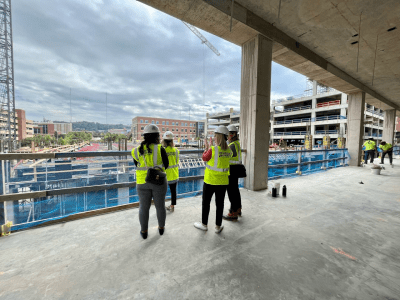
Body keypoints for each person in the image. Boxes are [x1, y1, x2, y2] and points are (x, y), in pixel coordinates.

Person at [132, 124, 169, 239]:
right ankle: (161, 229)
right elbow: (166, 165)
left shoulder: (136, 151)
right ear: (157, 136)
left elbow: (136, 165)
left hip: (142, 182)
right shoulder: (160, 148)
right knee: (160, 206)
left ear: (145, 136)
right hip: (158, 181)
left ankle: (144, 232)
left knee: (143, 207)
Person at [194, 125, 232, 233]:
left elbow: (204, 158)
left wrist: (206, 148)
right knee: (220, 204)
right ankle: (218, 226)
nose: (214, 138)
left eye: (215, 136)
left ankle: (204, 224)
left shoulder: (213, 149)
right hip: (223, 182)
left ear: (219, 137)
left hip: (210, 181)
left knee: (206, 203)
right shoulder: (229, 151)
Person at [223, 124, 242, 222]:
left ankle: (233, 213)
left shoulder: (232, 145)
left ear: (234, 134)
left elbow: (226, 156)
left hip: (232, 170)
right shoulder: (237, 143)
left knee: (231, 192)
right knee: (235, 190)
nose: (228, 136)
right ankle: (238, 209)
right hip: (236, 169)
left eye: (228, 134)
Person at [162, 131, 180, 212]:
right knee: (173, 191)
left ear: (164, 141)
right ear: (172, 141)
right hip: (174, 174)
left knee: (162, 192)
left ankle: (161, 206)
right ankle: (172, 206)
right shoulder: (176, 150)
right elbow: (177, 161)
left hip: (165, 175)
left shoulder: (162, 151)